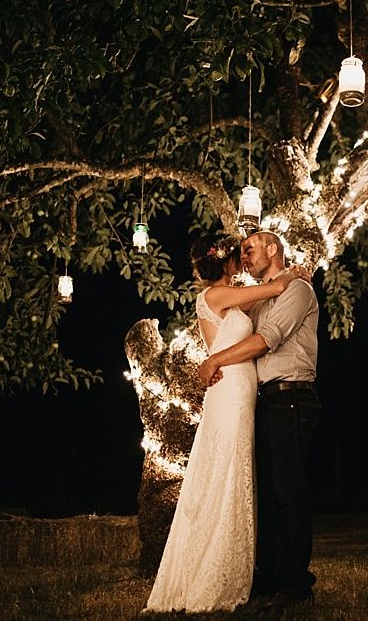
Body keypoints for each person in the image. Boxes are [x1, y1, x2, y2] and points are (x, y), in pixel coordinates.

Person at [143, 233, 305, 614]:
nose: (244, 261)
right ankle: (212, 571)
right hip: (230, 390)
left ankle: (243, 568)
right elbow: (275, 287)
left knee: (239, 471)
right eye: (240, 255)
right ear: (228, 262)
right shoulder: (215, 296)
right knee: (226, 471)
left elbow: (267, 299)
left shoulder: (232, 299)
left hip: (243, 390)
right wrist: (294, 272)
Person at [197, 230, 320, 608]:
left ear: (273, 249)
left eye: (250, 249)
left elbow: (267, 339)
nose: (244, 256)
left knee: (288, 495)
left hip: (291, 398)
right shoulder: (264, 295)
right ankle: (267, 581)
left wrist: (216, 359)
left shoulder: (297, 291)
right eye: (240, 252)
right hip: (263, 401)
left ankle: (295, 586)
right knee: (265, 496)